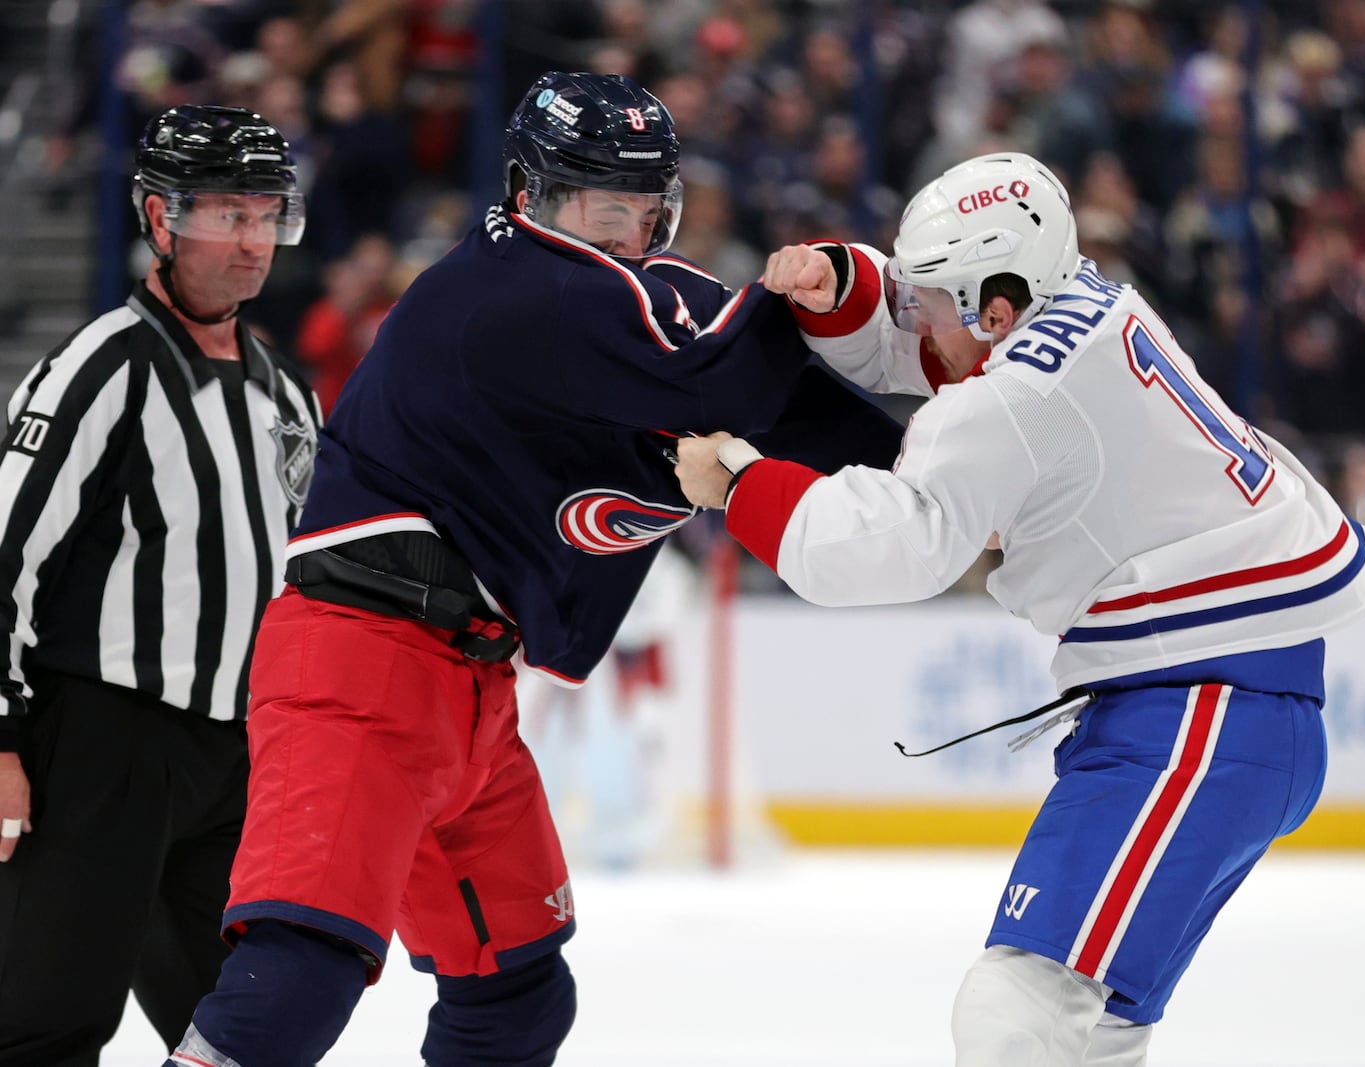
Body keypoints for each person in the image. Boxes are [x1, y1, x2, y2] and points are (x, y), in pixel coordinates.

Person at [162, 71, 902, 1067]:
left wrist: (944, 459)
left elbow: (805, 410)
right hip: (359, 666)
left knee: (514, 993)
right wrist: (793, 292)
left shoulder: (635, 296)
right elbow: (727, 375)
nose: (627, 233)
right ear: (527, 194)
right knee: (296, 981)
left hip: (470, 682)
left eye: (647, 210)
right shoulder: (509, 290)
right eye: (603, 207)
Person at [676, 151, 1365, 1066]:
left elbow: (898, 543)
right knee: (1095, 1034)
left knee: (1014, 1014)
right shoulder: (1087, 303)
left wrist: (739, 482)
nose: (914, 315)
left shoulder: (1016, 396)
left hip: (1196, 715)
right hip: (1228, 711)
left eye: (930, 297)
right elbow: (943, 351)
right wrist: (842, 286)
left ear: (1000, 304)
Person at [0, 106, 319, 1063]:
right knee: (49, 1024)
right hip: (103, 747)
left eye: (266, 215)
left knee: (241, 1029)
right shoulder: (103, 365)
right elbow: (6, 549)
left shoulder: (285, 394)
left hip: (235, 760)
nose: (251, 241)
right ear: (160, 217)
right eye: (227, 214)